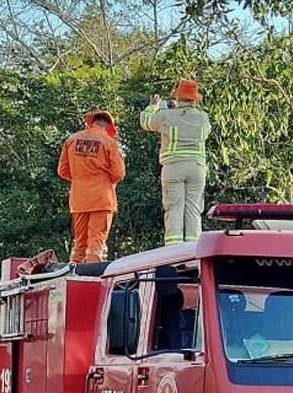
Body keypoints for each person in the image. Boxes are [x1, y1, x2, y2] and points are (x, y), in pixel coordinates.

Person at [140, 79, 211, 245]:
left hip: (173, 167)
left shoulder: (166, 115)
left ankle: (174, 250)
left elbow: (146, 122)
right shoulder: (203, 118)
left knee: (174, 208)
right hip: (197, 167)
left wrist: (153, 106)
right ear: (195, 99)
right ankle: (193, 250)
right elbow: (205, 133)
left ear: (177, 97)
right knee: (194, 209)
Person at [57, 110, 126, 264]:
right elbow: (119, 173)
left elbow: (62, 171)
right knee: (96, 244)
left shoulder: (71, 140)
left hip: (79, 199)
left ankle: (74, 274)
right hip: (102, 199)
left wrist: (80, 179)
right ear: (108, 125)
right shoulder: (109, 142)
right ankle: (92, 276)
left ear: (91, 122)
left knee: (80, 244)